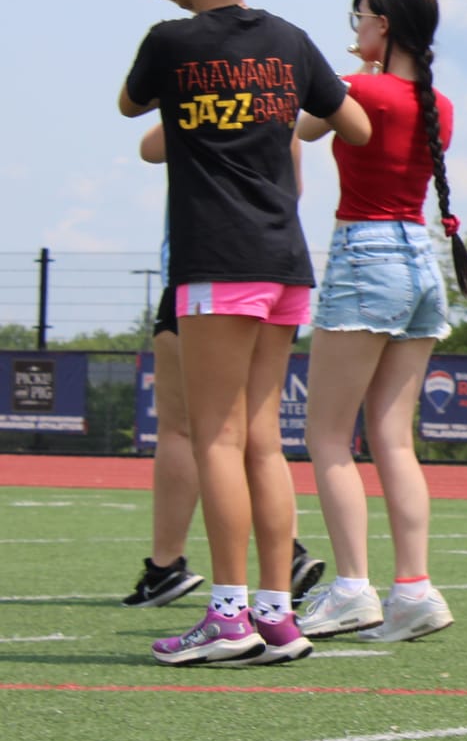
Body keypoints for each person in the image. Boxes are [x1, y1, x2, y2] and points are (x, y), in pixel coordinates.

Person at [119, 0, 370, 666]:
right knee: (265, 442)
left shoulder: (170, 40)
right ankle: (275, 615)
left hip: (215, 260)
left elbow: (131, 108)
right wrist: (270, 108)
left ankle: (228, 617)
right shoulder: (289, 39)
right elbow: (355, 125)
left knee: (217, 439)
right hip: (284, 261)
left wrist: (201, 86)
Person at [298, 0, 467, 644]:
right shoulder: (439, 104)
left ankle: (350, 587)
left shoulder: (359, 89)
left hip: (364, 254)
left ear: (385, 25)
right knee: (394, 439)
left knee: (326, 436)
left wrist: (352, 74)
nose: (356, 26)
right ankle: (413, 590)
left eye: (361, 16)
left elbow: (303, 127)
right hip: (419, 257)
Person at [122, 128, 325, 611]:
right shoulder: (281, 104)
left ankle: (169, 566)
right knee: (260, 435)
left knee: (187, 430)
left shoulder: (196, 100)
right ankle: (285, 557)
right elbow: (295, 186)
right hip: (277, 265)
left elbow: (149, 147)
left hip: (207, 268)